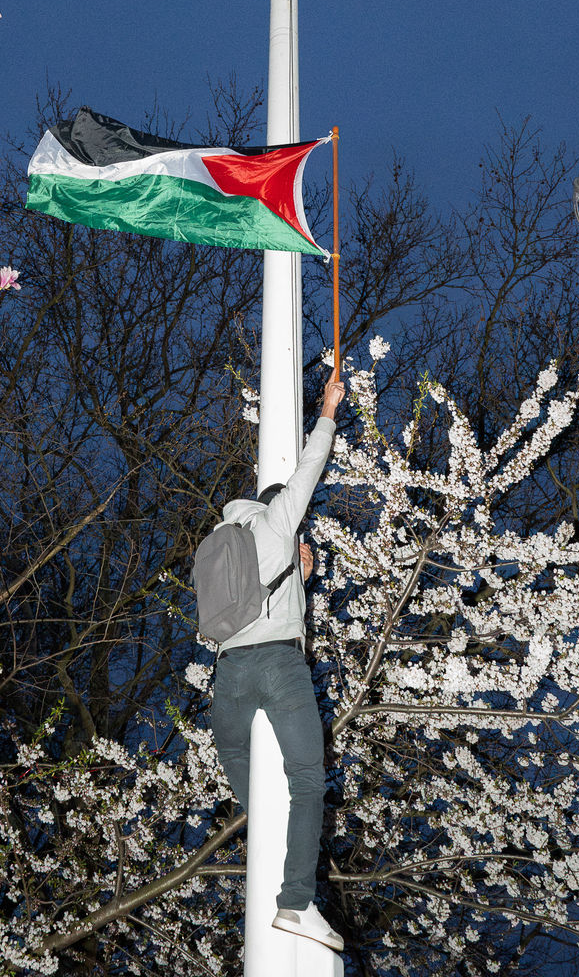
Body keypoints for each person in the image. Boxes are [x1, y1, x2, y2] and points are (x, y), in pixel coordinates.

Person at [208, 369, 345, 954]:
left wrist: (300, 576)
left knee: (242, 768)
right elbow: (308, 471)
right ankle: (295, 903)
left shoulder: (221, 541)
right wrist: (329, 411)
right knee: (308, 779)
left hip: (227, 675)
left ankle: (266, 844)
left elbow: (256, 597)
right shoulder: (274, 519)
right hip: (277, 667)